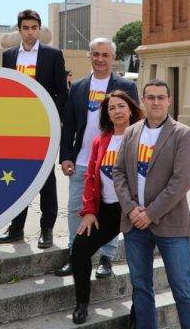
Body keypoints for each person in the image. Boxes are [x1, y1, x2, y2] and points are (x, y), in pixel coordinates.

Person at [112, 80, 190, 329]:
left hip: (170, 224)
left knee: (182, 289)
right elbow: (118, 172)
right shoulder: (131, 132)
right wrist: (131, 208)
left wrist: (150, 213)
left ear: (169, 101)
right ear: (142, 101)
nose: (155, 102)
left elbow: (182, 181)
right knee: (141, 288)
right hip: (134, 224)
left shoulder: (183, 134)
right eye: (150, 97)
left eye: (161, 97)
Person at [57, 37, 138, 278]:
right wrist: (66, 155)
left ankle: (106, 257)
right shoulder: (80, 86)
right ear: (90, 57)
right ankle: (75, 254)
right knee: (75, 209)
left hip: (114, 162)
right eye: (96, 54)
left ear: (113, 58)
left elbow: (134, 122)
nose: (100, 59)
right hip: (82, 160)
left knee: (110, 211)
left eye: (106, 55)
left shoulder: (125, 86)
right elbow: (69, 123)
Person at [0, 9, 68, 248]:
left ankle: (46, 229)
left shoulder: (53, 55)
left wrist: (47, 115)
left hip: (43, 128)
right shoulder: (8, 56)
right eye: (25, 28)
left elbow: (61, 93)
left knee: (46, 179)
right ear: (19, 30)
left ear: (39, 29)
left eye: (34, 28)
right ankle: (16, 228)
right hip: (16, 129)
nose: (29, 32)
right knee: (17, 178)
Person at [70, 90, 142, 324]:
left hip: (135, 210)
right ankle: (82, 303)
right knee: (79, 248)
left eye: (121, 106)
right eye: (112, 108)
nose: (117, 111)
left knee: (139, 262)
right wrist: (89, 211)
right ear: (107, 115)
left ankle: (138, 313)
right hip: (108, 210)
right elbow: (91, 177)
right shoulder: (101, 140)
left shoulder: (143, 136)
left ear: (130, 109)